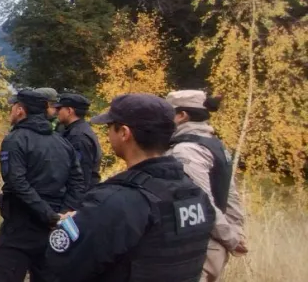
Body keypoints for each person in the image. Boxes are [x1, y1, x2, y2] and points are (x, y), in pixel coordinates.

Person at [45, 93, 216, 281]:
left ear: (124, 133)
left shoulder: (115, 201)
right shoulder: (195, 194)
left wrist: (71, 224)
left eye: (110, 127)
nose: (108, 134)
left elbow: (63, 263)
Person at [0, 89, 84, 282]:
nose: (11, 111)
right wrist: (61, 214)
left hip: (21, 227)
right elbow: (77, 182)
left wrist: (50, 215)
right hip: (52, 228)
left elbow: (17, 182)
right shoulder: (62, 142)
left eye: (13, 107)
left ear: (20, 110)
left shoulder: (15, 140)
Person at [165, 90, 247, 281]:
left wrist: (231, 239)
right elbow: (231, 197)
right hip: (213, 247)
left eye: (167, 114)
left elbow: (202, 202)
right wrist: (235, 233)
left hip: (198, 248)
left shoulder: (186, 151)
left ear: (181, 115)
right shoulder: (214, 145)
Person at [55, 93, 103, 188]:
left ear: (69, 111)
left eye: (59, 109)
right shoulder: (75, 130)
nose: (57, 112)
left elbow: (81, 175)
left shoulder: (79, 137)